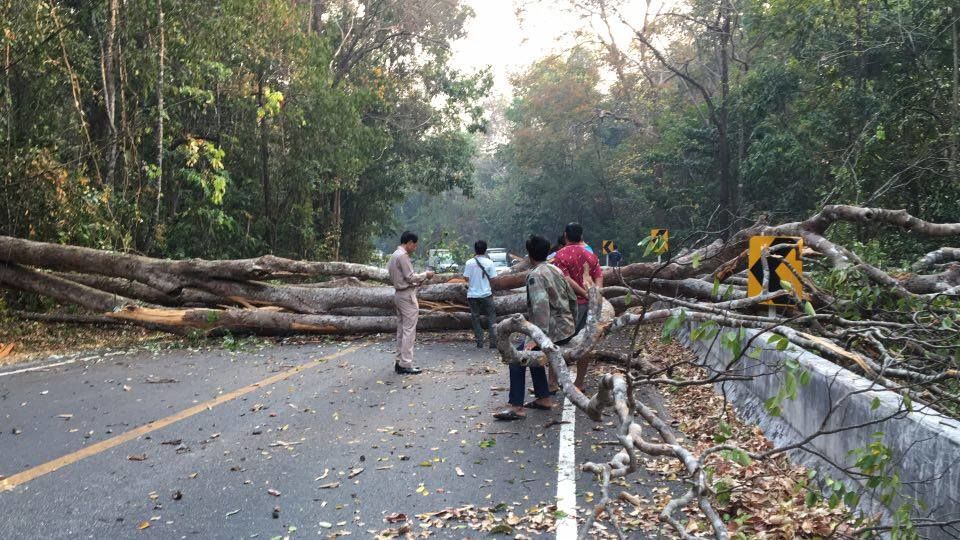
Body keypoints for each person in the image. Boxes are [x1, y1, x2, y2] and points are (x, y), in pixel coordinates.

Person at [493, 235, 577, 421]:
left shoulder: (535, 276)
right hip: (566, 327)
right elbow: (572, 298)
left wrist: (535, 339)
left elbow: (541, 309)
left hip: (550, 330)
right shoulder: (555, 269)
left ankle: (516, 406)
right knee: (533, 355)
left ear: (529, 255)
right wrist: (572, 325)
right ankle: (543, 398)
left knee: (517, 357)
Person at [551, 222, 604, 390]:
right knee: (585, 342)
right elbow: (599, 276)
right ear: (581, 236)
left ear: (565, 235)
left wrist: (582, 292)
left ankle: (552, 383)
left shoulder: (559, 256)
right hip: (588, 306)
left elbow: (565, 279)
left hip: (567, 306)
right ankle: (579, 383)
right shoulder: (591, 255)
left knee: (556, 342)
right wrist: (595, 294)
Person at [387, 231, 434, 374]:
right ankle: (406, 363)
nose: (415, 248)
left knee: (402, 329)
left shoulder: (394, 255)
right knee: (409, 330)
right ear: (408, 242)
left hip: (399, 294)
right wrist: (425, 275)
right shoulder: (402, 256)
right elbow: (411, 277)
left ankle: (399, 361)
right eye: (414, 245)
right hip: (406, 295)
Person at [463, 240, 498, 348]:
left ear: (475, 249)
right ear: (485, 249)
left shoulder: (469, 263)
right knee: (491, 317)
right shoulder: (489, 262)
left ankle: (480, 341)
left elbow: (465, 278)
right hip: (486, 294)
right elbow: (494, 278)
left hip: (473, 295)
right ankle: (493, 342)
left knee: (475, 318)